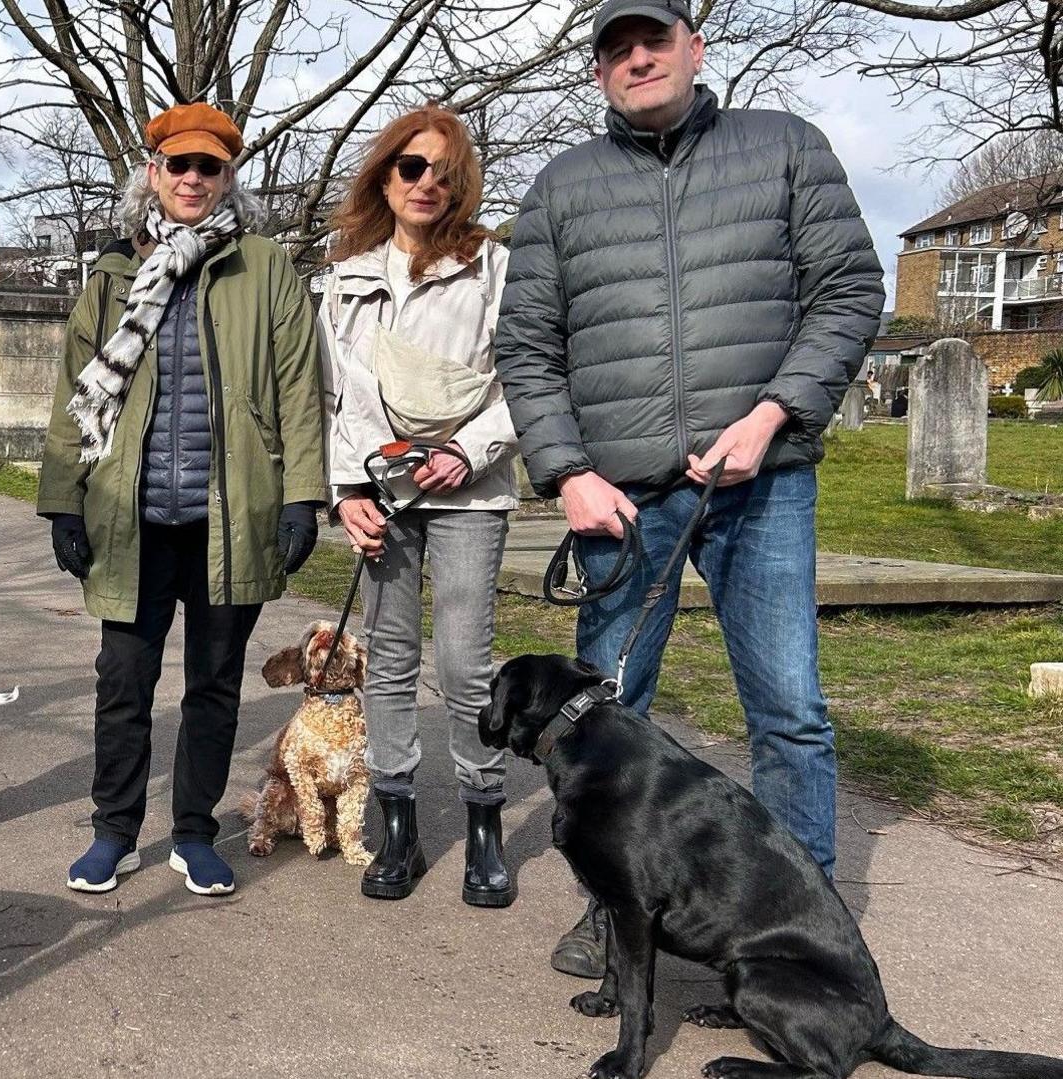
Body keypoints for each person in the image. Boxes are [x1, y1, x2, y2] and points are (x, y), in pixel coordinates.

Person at [494, 0, 884, 977]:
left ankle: (807, 921)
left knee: (788, 706)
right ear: (597, 72)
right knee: (603, 711)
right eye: (615, 48)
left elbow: (849, 288)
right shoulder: (562, 186)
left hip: (761, 485)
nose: (636, 59)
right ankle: (610, 907)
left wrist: (773, 413)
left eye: (652, 39)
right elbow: (527, 347)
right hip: (617, 503)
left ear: (694, 47)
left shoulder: (785, 149)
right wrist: (568, 471)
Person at [37, 103, 327, 897]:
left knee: (213, 680)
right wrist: (65, 502)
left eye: (209, 167)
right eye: (178, 165)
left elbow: (302, 387)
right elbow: (74, 397)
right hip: (130, 518)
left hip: (229, 516)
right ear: (152, 175)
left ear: (228, 176)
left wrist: (303, 495)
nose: (193, 179)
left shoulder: (263, 266)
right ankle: (115, 831)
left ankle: (193, 831)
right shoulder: (113, 276)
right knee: (123, 680)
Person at [318, 106, 519, 906]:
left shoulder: (491, 269)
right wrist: (349, 492)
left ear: (462, 184)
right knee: (391, 661)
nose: (426, 183)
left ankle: (484, 825)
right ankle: (397, 827)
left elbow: (525, 377)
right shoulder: (345, 277)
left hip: (470, 490)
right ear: (384, 176)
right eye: (410, 167)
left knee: (467, 665)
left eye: (443, 171)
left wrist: (467, 451)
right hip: (383, 496)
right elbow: (337, 396)